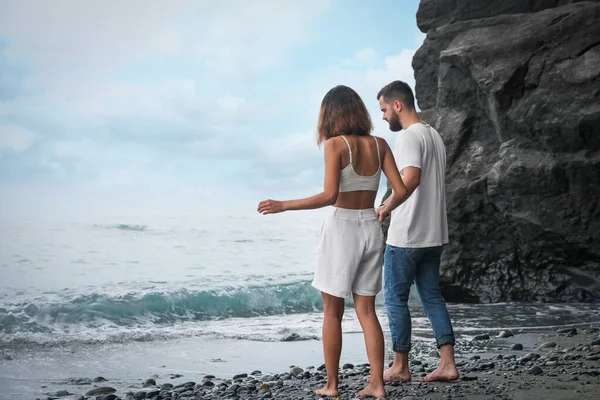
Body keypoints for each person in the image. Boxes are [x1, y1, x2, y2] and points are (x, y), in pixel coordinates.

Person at [258, 85, 408, 398]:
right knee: (367, 311)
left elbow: (330, 196)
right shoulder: (380, 144)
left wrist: (283, 205)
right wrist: (382, 209)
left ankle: (332, 385)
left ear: (331, 114)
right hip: (371, 225)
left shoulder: (335, 145)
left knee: (332, 311)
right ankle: (377, 385)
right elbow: (402, 190)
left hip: (342, 229)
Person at [376, 80, 460, 383]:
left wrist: (385, 206)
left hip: (408, 234)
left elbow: (411, 179)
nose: (383, 116)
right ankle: (447, 363)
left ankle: (400, 366)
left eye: (384, 109)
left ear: (398, 105)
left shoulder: (409, 137)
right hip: (434, 233)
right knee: (432, 297)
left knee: (395, 298)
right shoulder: (434, 135)